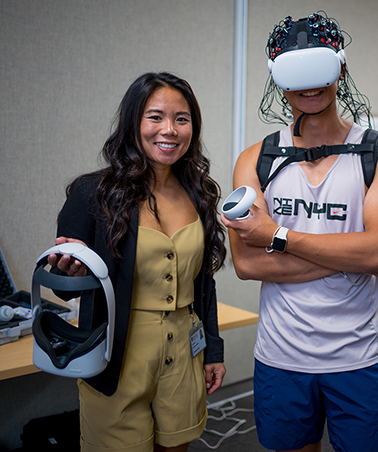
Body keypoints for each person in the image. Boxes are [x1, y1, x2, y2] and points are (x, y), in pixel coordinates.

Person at [221, 12, 378, 452]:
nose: (308, 85)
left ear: (340, 67)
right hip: (281, 358)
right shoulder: (256, 159)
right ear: (277, 78)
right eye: (294, 72)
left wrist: (278, 237)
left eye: (318, 69)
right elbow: (247, 264)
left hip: (358, 358)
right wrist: (353, 254)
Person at [47, 72, 227, 452]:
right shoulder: (93, 193)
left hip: (183, 351)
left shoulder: (199, 193)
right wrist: (71, 269)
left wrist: (214, 349)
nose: (170, 130)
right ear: (133, 122)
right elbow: (60, 274)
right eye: (155, 116)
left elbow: (203, 283)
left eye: (182, 119)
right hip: (117, 354)